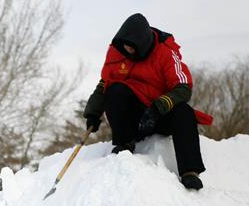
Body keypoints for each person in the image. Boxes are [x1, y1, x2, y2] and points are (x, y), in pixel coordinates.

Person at [83, 13, 213, 190]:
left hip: (160, 113)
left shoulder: (165, 51)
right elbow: (105, 83)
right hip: (135, 118)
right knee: (116, 91)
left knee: (184, 112)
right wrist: (92, 113)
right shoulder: (117, 51)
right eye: (125, 47)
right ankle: (125, 143)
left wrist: (159, 107)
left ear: (142, 44)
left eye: (132, 48)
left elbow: (183, 87)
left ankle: (190, 171)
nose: (128, 51)